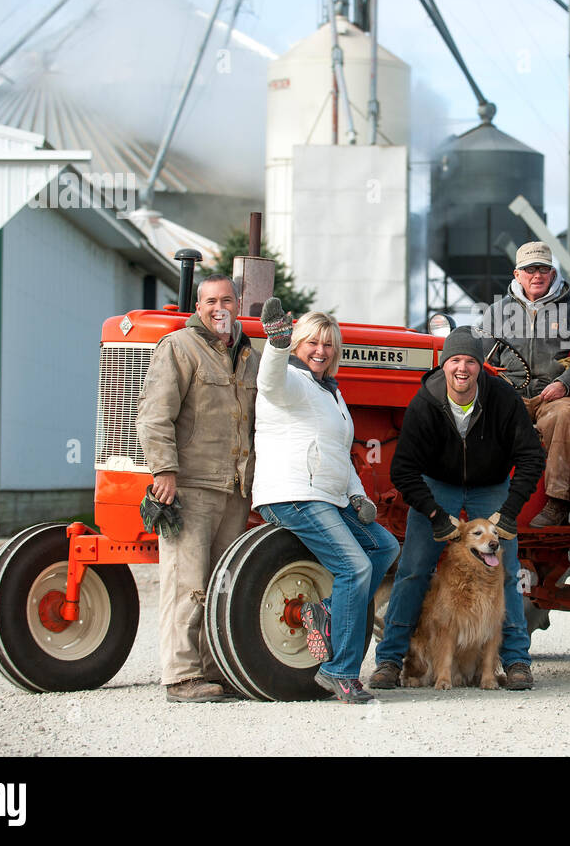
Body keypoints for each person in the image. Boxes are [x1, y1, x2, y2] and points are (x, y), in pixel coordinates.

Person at [369, 326, 546, 691]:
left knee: (506, 571)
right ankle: (389, 659)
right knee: (415, 569)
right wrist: (434, 513)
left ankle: (515, 662)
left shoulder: (503, 400)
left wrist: (510, 510)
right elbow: (402, 468)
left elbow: (531, 457)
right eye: (454, 361)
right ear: (443, 365)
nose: (461, 368)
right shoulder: (426, 403)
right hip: (440, 486)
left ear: (480, 366)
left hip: (491, 486)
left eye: (469, 361)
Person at [251, 302, 399, 704]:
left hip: (328, 495)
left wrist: (358, 496)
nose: (321, 350)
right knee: (355, 567)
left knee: (385, 546)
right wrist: (277, 346)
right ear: (297, 343)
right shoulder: (293, 382)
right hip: (294, 493)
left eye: (329, 344)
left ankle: (328, 612)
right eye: (312, 342)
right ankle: (340, 671)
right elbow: (270, 383)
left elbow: (338, 451)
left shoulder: (330, 391)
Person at [136, 274, 258, 702]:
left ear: (238, 302)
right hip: (190, 484)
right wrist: (164, 472)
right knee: (185, 580)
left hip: (235, 487)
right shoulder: (179, 348)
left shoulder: (248, 355)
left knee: (220, 583)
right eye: (210, 300)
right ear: (198, 305)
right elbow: (154, 415)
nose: (218, 307)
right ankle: (180, 675)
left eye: (226, 299)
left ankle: (211, 669)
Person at [482, 242, 570, 527]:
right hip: (511, 395)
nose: (537, 275)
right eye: (530, 269)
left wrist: (564, 383)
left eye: (544, 269)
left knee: (566, 415)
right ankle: (481, 498)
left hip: (554, 397)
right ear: (517, 274)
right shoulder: (497, 313)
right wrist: (494, 380)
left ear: (552, 272)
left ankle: (557, 503)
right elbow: (480, 358)